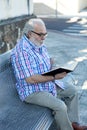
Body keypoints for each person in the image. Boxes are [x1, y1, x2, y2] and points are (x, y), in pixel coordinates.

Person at [11, 18, 87, 130]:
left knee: (73, 91)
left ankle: (73, 123)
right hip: (32, 91)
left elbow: (43, 64)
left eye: (45, 34)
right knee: (60, 106)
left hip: (46, 83)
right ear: (29, 33)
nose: (43, 38)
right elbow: (30, 79)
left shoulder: (37, 43)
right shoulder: (22, 51)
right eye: (40, 34)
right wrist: (54, 76)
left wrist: (51, 66)